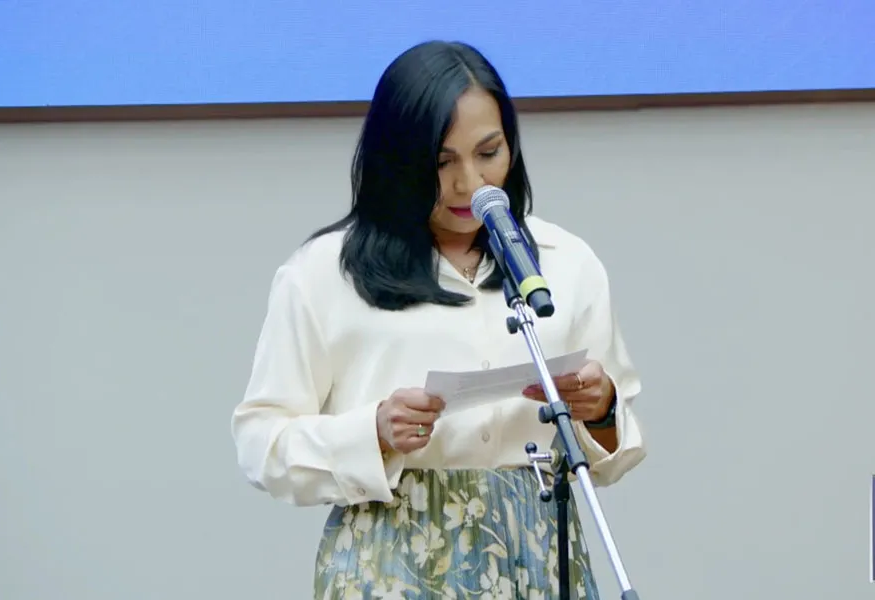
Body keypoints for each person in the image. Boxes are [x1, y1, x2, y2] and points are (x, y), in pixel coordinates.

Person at [231, 40, 646, 600]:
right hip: (391, 565)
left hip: (539, 555)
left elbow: (613, 453)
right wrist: (372, 432)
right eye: (441, 161)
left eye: (489, 152)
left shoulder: (563, 263)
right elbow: (261, 442)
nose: (469, 183)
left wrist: (602, 411)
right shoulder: (325, 273)